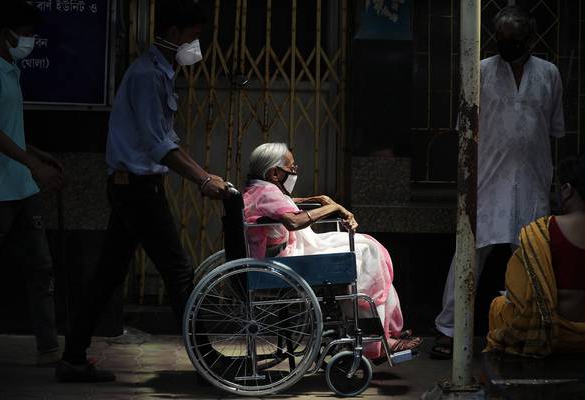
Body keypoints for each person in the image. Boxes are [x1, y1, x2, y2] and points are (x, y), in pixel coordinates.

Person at [56, 0, 229, 382]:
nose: (196, 47)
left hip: (133, 189)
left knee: (108, 275)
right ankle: (207, 362)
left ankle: (72, 357)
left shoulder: (160, 72)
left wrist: (204, 173)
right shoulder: (148, 76)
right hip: (136, 190)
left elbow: (168, 140)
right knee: (179, 271)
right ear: (173, 34)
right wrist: (202, 180)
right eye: (194, 37)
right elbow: (158, 146)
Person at [431, 5, 565, 359]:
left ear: (530, 39)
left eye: (514, 40)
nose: (507, 45)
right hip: (486, 182)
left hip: (533, 182)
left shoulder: (549, 74)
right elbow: (465, 130)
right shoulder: (480, 72)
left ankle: (517, 332)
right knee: (468, 258)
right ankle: (448, 330)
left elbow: (553, 129)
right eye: (501, 39)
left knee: (529, 263)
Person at [243, 143, 422, 360]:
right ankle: (374, 341)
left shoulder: (257, 189)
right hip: (286, 260)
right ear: (274, 173)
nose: (294, 173)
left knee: (366, 246)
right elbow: (292, 220)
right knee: (366, 255)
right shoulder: (267, 192)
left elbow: (286, 204)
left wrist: (318, 199)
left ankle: (382, 329)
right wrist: (334, 208)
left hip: (282, 255)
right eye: (291, 168)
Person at [0, 0, 65, 366]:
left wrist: (36, 152)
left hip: (22, 189)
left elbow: (9, 128)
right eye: (28, 34)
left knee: (41, 267)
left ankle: (48, 348)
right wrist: (33, 163)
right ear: (7, 33)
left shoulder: (11, 68)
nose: (31, 41)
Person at [486, 155, 585, 357]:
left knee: (499, 306)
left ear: (567, 190)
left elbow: (520, 296)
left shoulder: (543, 231)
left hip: (556, 336)